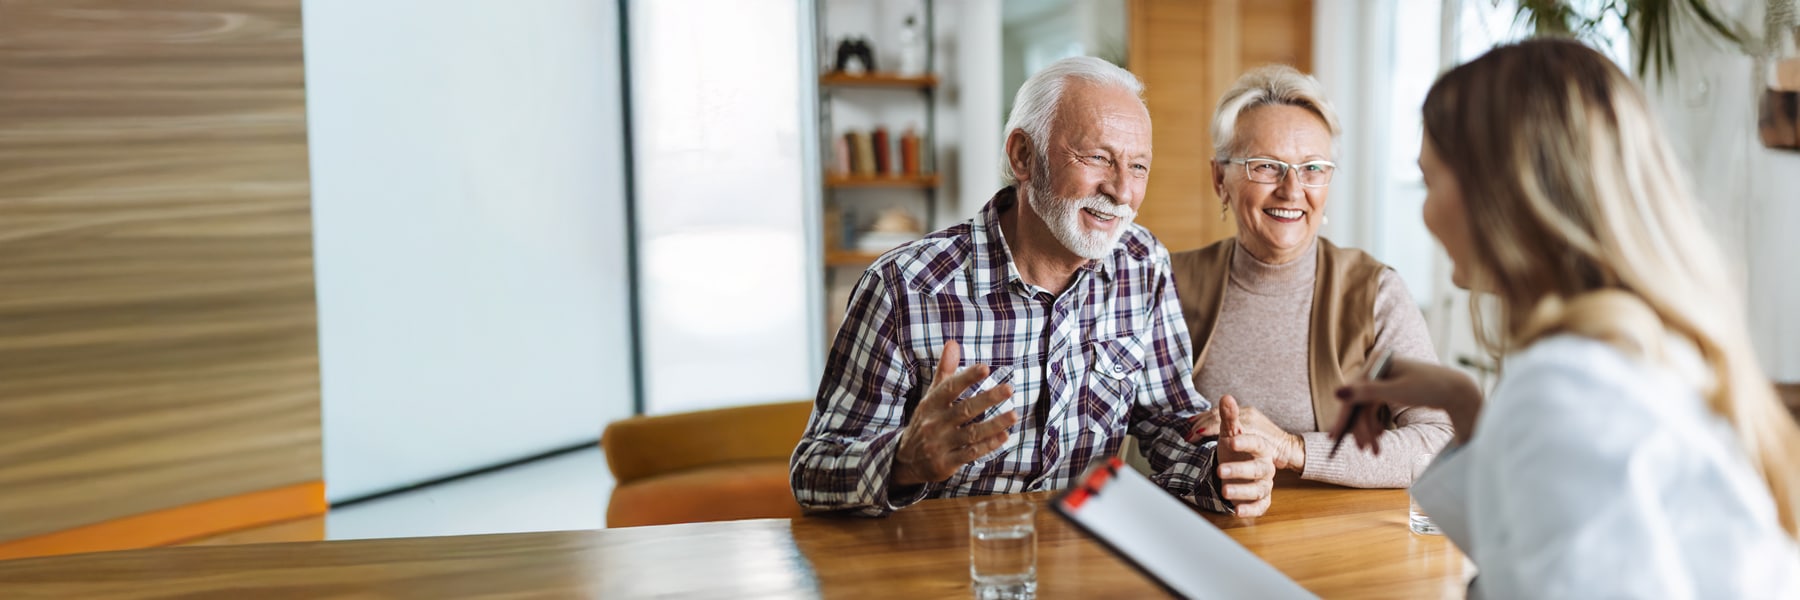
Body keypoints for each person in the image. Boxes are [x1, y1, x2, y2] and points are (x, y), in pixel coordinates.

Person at [1335, 39, 1800, 596]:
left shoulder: (1568, 389)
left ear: (1501, 192)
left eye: (1431, 181)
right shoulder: (1637, 352)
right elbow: (1537, 548)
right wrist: (1465, 406)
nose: (1426, 212)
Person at [789, 56, 1282, 518]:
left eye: (1137, 166)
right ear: (1024, 156)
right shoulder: (904, 287)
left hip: (1084, 557)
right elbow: (813, 471)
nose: (1122, 191)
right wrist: (904, 460)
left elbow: (1170, 421)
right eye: (1097, 158)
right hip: (945, 568)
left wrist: (1222, 466)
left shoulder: (1140, 263)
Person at [1167, 65, 1451, 488]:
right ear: (1219, 179)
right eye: (1266, 166)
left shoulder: (1375, 292)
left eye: (1313, 168)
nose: (1291, 188)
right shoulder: (1165, 282)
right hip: (1207, 531)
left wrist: (1291, 448)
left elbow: (1440, 443)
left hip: (1333, 544)